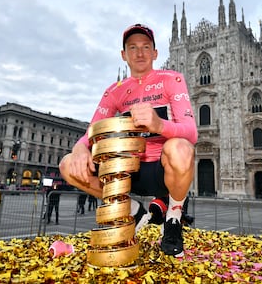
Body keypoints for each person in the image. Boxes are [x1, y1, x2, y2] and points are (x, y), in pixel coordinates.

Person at [59, 24, 197, 257]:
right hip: (127, 171)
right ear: (124, 55)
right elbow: (91, 131)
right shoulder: (115, 90)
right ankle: (133, 210)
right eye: (132, 47)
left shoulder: (171, 79)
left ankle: (173, 218)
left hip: (164, 170)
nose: (140, 53)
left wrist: (159, 125)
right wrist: (80, 148)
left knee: (180, 147)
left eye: (145, 47)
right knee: (67, 163)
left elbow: (191, 132)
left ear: (155, 53)